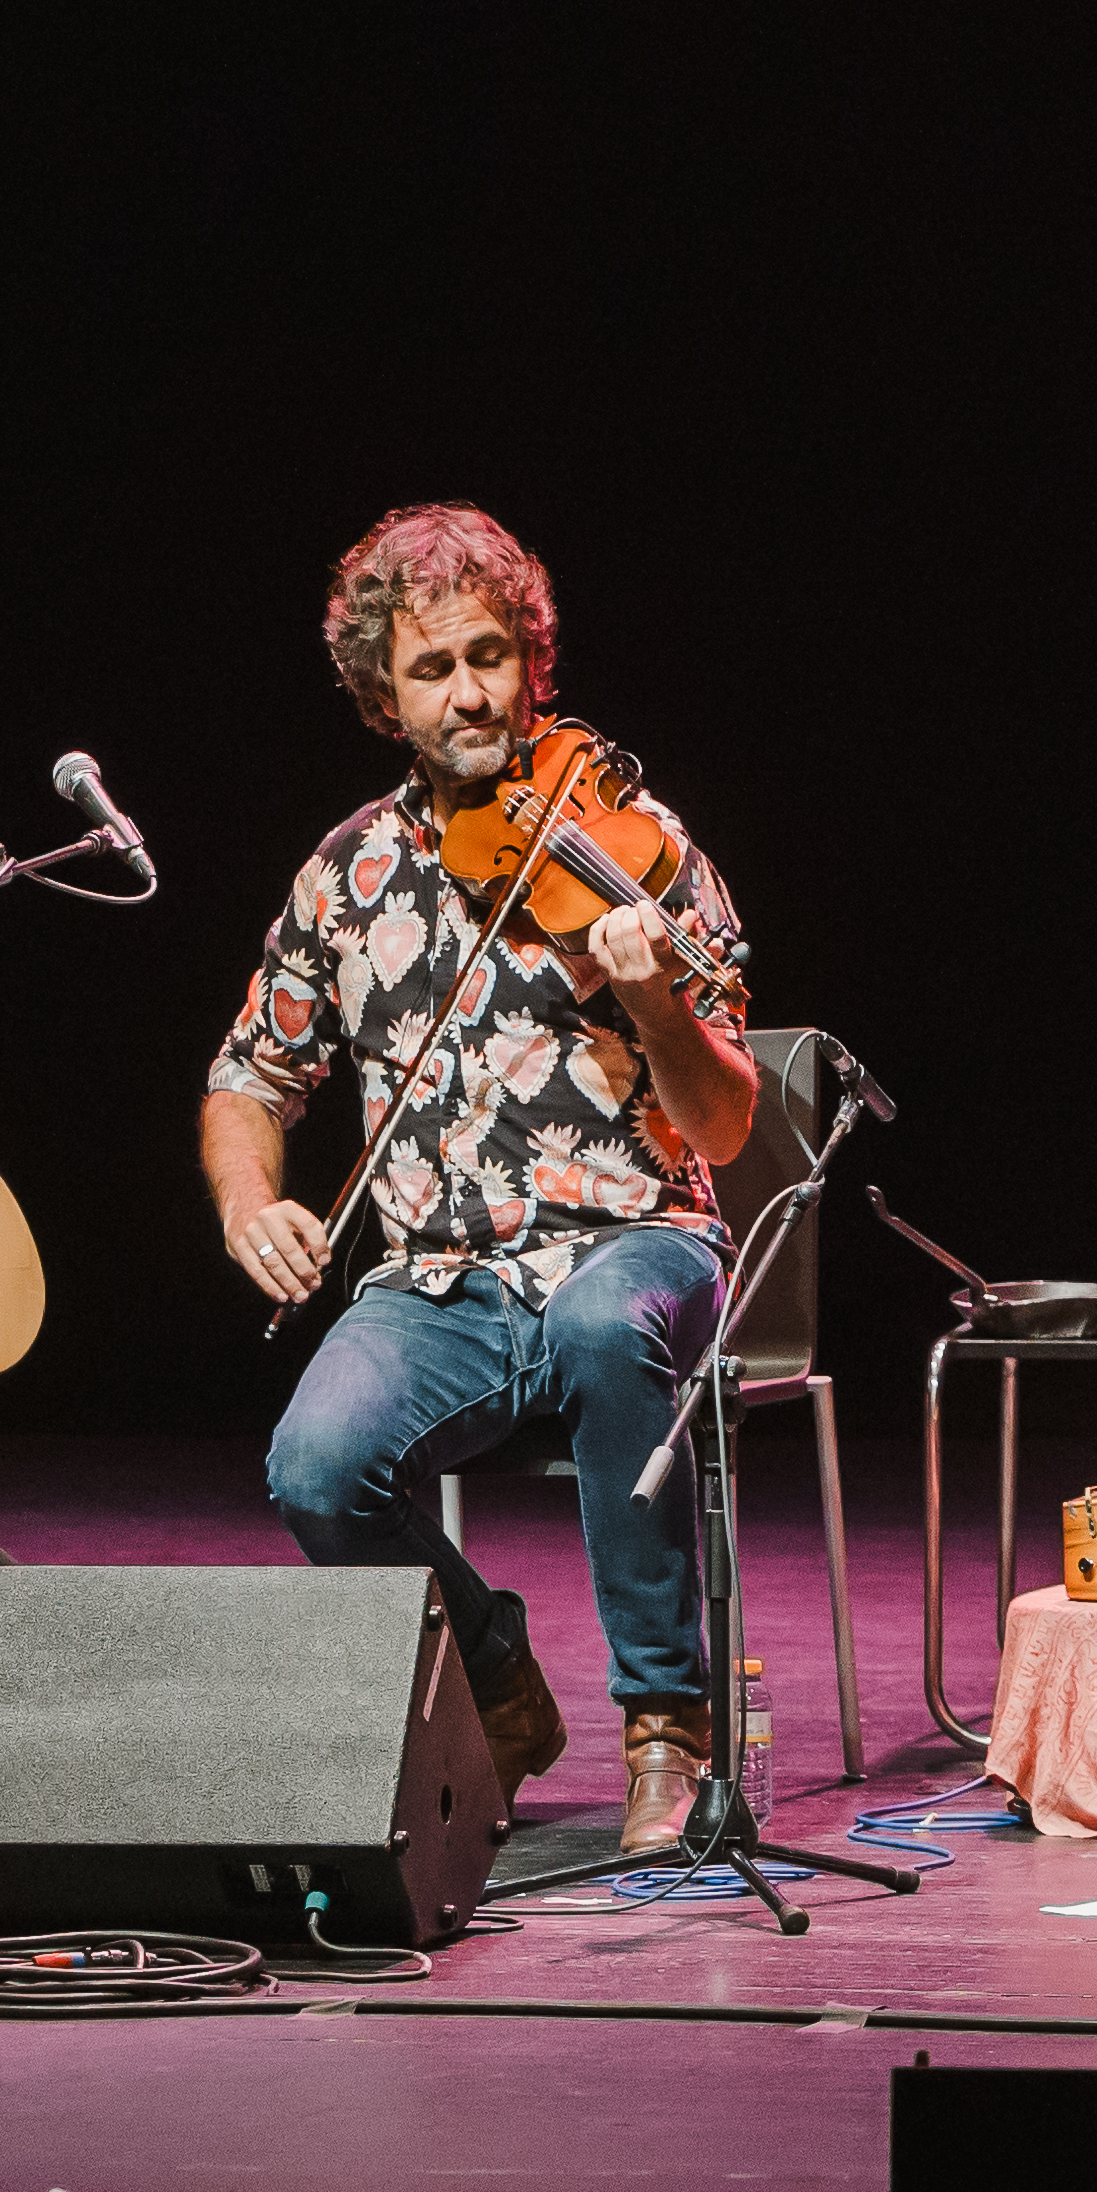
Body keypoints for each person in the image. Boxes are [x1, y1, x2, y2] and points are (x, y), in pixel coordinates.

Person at [207, 503, 763, 1852]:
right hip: (441, 1280)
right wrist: (248, 1203)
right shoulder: (344, 874)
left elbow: (730, 1119)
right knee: (314, 1465)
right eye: (433, 668)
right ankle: (497, 1680)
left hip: (636, 1240)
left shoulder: (637, 839)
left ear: (533, 660)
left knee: (597, 1322)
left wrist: (654, 1005)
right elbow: (246, 1081)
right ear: (381, 699)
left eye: (490, 656)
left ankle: (666, 1725)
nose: (471, 692)